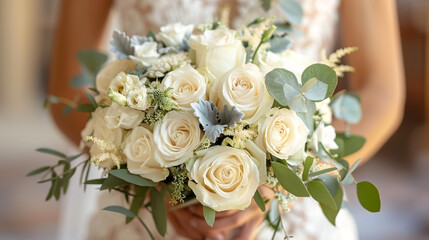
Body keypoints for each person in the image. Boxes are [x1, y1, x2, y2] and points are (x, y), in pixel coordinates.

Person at [48, 0, 405, 239]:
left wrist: (282, 181)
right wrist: (153, 175)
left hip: (293, 215)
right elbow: (68, 91)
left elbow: (382, 92)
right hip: (149, 214)